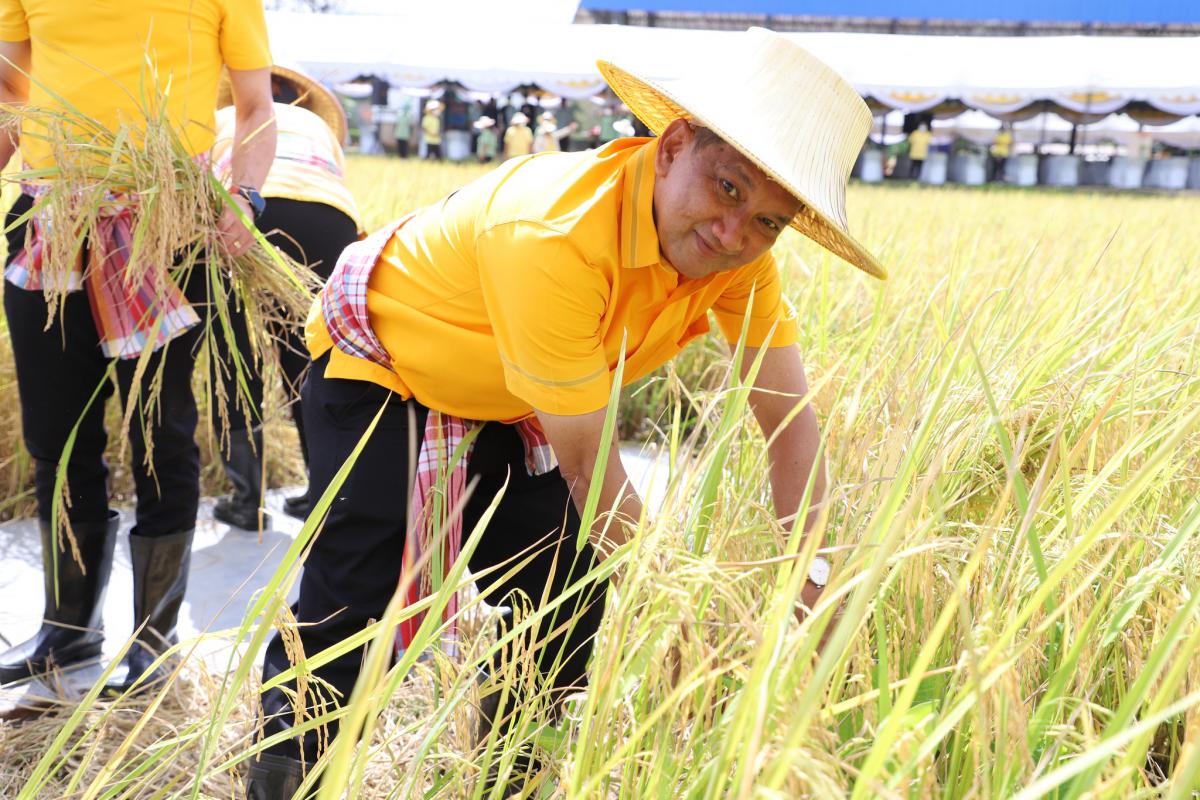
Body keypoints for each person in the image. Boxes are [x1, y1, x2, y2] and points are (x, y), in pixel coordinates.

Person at [250, 27, 885, 796]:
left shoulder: (738, 262)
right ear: (674, 145)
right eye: (727, 188)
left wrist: (812, 577)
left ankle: (510, 777)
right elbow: (589, 469)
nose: (733, 233)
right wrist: (690, 611)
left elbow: (789, 425)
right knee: (356, 596)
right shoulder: (555, 234)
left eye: (767, 222)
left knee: (567, 585)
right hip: (388, 368)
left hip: (512, 397)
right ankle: (289, 776)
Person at [0, 0, 275, 692]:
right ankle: (67, 632)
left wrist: (245, 197)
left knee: (162, 434)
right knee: (55, 437)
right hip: (49, 219)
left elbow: (254, 105)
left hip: (167, 224)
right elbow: (9, 88)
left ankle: (155, 638)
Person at [209, 66, 364, 529]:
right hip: (328, 218)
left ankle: (247, 500)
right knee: (311, 355)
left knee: (233, 353)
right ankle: (323, 494)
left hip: (247, 209)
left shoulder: (226, 117)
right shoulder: (316, 126)